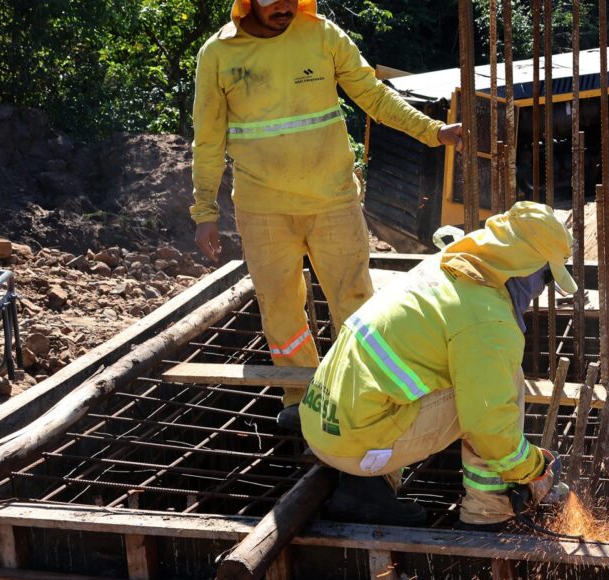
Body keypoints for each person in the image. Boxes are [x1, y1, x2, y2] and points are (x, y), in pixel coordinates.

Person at [189, 0, 463, 430]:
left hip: (332, 200)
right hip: (263, 208)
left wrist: (433, 131)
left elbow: (374, 96)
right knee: (280, 306)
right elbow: (206, 139)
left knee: (354, 301)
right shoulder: (219, 53)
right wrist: (205, 209)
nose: (281, 5)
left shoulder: (322, 35)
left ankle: (360, 393)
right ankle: (301, 395)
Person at [299, 202, 574, 528]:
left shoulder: (446, 268)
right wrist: (532, 467)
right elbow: (489, 424)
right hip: (355, 445)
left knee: (464, 380)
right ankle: (487, 513)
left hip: (321, 423)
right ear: (525, 266)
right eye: (544, 277)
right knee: (496, 390)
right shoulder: (489, 321)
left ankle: (365, 491)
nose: (540, 289)